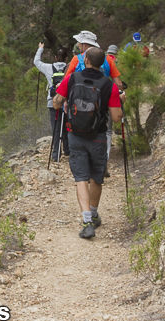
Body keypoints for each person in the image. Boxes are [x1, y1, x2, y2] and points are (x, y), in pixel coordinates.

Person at [54, 46, 123, 239]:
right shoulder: (108, 84)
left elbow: (57, 102)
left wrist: (64, 102)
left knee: (81, 178)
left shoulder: (72, 79)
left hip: (75, 135)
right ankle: (93, 213)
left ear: (86, 61)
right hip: (98, 137)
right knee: (96, 177)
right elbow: (116, 117)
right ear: (103, 64)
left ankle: (86, 221)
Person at [34, 42, 70, 160]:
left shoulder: (48, 67)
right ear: (66, 58)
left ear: (55, 58)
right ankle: (68, 150)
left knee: (55, 127)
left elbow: (36, 62)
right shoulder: (70, 68)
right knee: (66, 126)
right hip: (67, 102)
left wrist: (40, 49)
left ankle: (56, 154)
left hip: (52, 101)